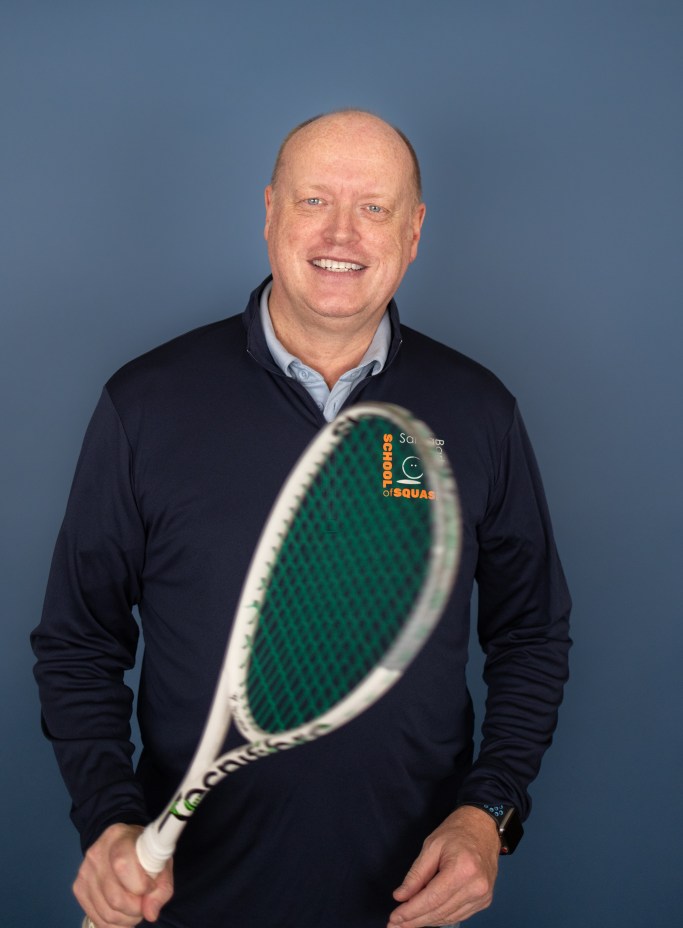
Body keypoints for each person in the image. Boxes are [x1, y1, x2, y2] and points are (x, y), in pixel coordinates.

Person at [31, 110, 571, 928]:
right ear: (270, 212)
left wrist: (486, 813)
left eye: (374, 208)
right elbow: (79, 641)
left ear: (414, 231)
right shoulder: (145, 404)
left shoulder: (478, 410)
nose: (341, 233)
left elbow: (530, 632)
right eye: (314, 200)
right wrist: (108, 819)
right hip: (187, 899)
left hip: (407, 903)